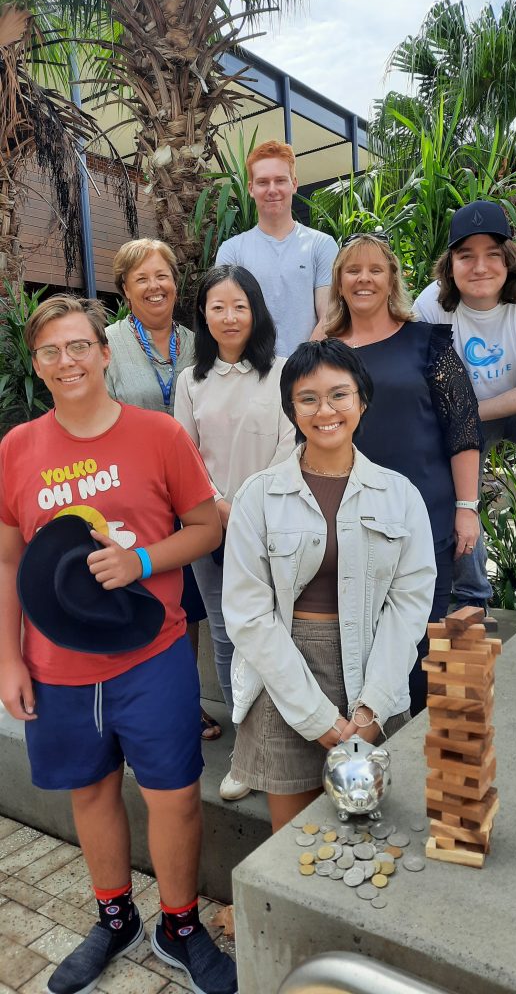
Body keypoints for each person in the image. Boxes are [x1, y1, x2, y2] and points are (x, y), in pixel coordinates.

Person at [0, 295, 237, 994]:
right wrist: (9, 658)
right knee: (91, 794)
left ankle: (179, 925)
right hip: (57, 665)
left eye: (79, 346)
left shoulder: (158, 435)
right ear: (38, 366)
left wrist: (141, 563)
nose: (66, 362)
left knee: (176, 798)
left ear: (105, 354)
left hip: (151, 653)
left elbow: (206, 526)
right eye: (50, 352)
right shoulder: (16, 448)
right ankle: (114, 920)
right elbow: (9, 561)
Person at [221, 339, 437, 832]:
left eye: (340, 395)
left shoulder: (400, 495)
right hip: (284, 673)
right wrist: (318, 717)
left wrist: (372, 706)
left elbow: (408, 606)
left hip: (372, 666)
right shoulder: (259, 496)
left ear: (362, 399)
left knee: (369, 834)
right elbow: (248, 614)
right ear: (291, 410)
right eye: (308, 398)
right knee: (292, 841)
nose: (326, 411)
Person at [317, 233, 483, 713]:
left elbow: (463, 429)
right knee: (363, 645)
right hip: (351, 521)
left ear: (392, 279)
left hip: (426, 516)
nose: (364, 278)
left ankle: (427, 750)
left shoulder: (427, 342)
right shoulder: (324, 351)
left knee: (423, 642)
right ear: (339, 282)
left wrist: (467, 509)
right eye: (353, 270)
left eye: (375, 269)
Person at [414, 200, 516, 603]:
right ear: (450, 264)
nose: (480, 267)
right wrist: (461, 424)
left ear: (510, 259)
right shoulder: (430, 306)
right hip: (468, 419)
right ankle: (470, 592)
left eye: (492, 254)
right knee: (440, 458)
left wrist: (466, 414)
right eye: (466, 256)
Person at [175, 264, 295, 801]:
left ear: (256, 311)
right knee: (227, 636)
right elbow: (183, 455)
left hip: (276, 524)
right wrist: (220, 507)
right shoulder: (190, 380)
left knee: (284, 631)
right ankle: (248, 756)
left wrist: (247, 507)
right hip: (210, 527)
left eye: (239, 306)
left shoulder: (284, 372)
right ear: (203, 314)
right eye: (217, 306)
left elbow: (294, 445)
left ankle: (292, 739)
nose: (229, 317)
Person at [107, 238, 219, 740]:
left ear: (176, 284)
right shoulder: (107, 344)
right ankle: (133, 701)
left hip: (193, 491)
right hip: (133, 492)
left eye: (163, 276)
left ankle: (184, 701)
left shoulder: (199, 343)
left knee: (188, 601)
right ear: (126, 290)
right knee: (139, 593)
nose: (155, 287)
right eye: (142, 279)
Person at [215, 140, 338, 356]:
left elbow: (328, 317)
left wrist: (300, 368)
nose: (272, 190)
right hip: (250, 375)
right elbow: (227, 319)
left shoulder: (321, 245)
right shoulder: (231, 251)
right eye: (263, 182)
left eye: (280, 180)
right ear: (251, 188)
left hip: (306, 373)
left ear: (294, 184)